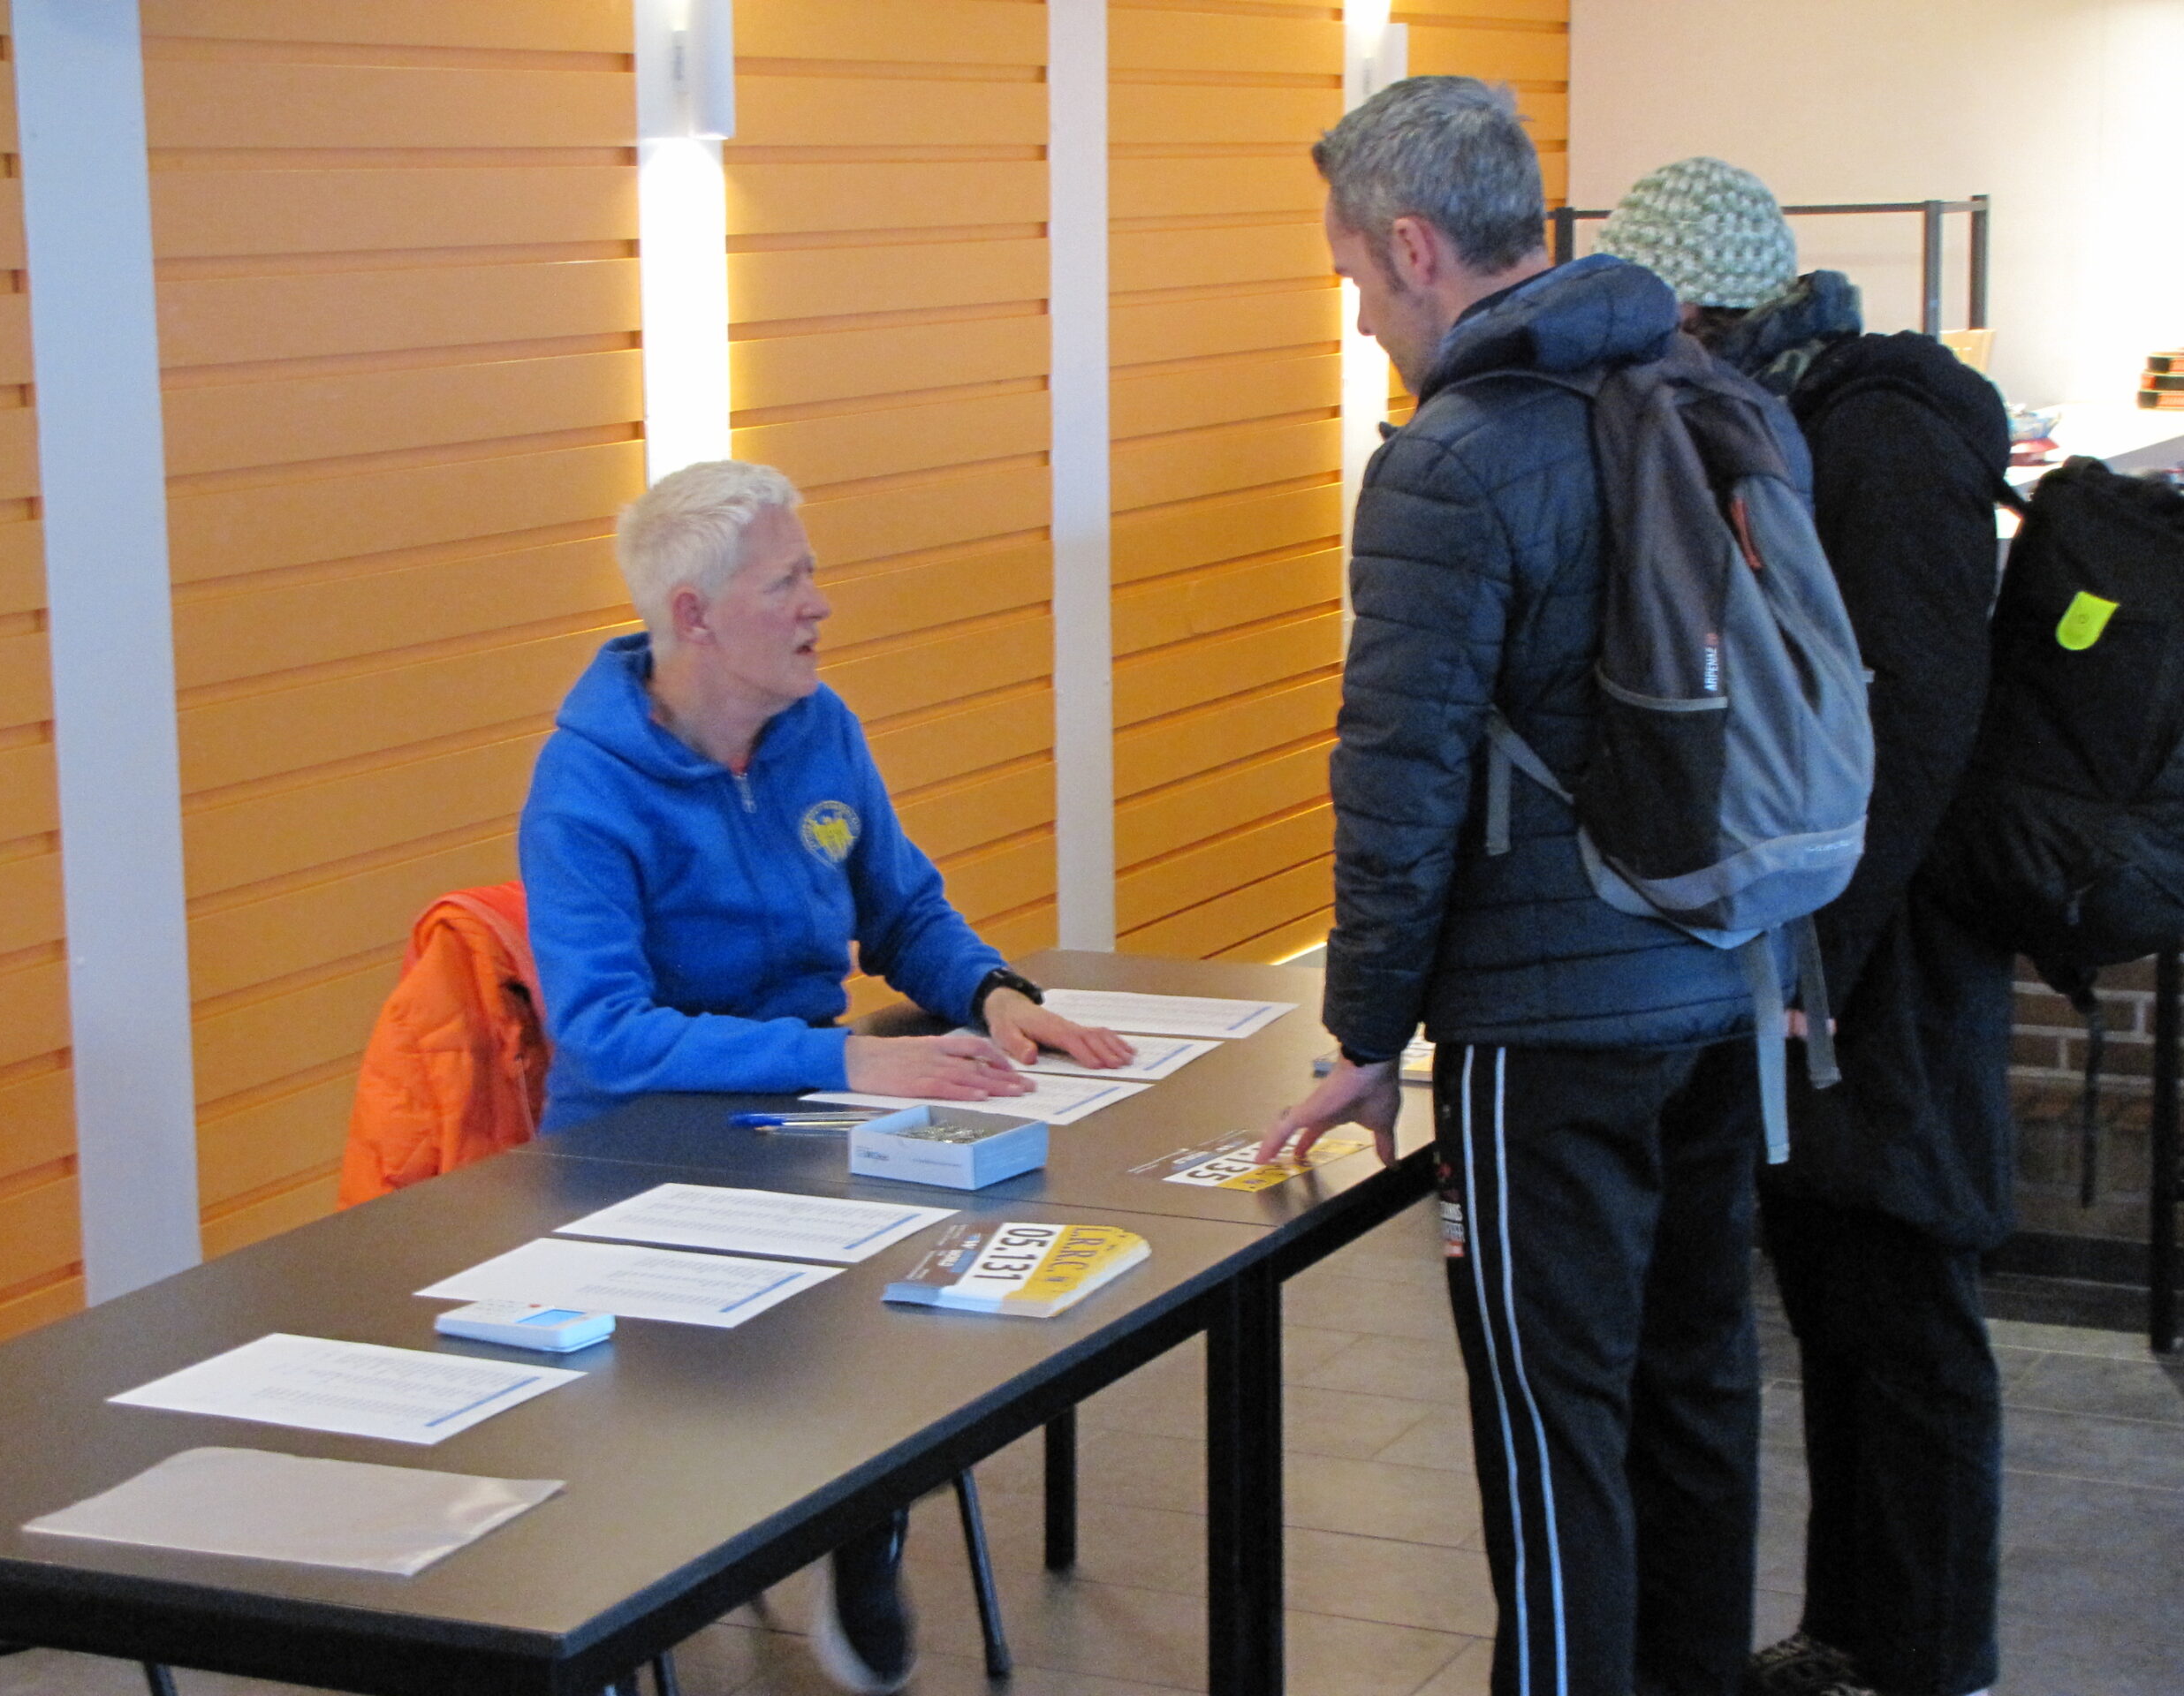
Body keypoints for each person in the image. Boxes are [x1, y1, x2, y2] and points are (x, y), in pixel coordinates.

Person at [1262, 80, 1779, 1696]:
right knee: (1694, 1393)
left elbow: (1399, 779)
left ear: (1414, 247)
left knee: (1550, 1434)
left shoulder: (1454, 459)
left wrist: (1364, 1029)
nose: (1358, 323)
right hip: (1725, 968)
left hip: (1550, 1027)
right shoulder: (1695, 391)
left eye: (1353, 280)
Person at [519, 458, 1133, 1693]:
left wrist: (997, 994)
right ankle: (759, 1526)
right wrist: (849, 1054)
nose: (820, 605)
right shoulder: (583, 788)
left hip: (807, 1113)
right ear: (694, 616)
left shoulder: (821, 730)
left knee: (943, 1275)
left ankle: (862, 1521)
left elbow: (901, 908)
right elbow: (608, 1032)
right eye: (789, 581)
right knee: (768, 1345)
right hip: (634, 1155)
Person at [1600, 158, 2013, 1696]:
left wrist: (1812, 961)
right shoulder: (1808, 415)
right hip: (1849, 954)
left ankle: (1927, 1655)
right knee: (1845, 1300)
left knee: (1905, 1316)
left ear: (1701, 307)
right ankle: (1858, 1635)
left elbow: (1912, 733)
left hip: (1888, 965)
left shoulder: (1884, 435)